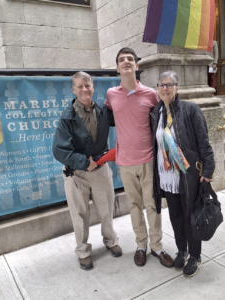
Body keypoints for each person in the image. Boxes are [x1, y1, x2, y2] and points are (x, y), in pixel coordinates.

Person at [105, 47, 173, 268]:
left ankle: (157, 246)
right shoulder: (111, 95)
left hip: (148, 160)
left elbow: (163, 123)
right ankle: (141, 245)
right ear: (117, 68)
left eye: (130, 59)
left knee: (152, 205)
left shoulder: (150, 95)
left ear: (136, 66)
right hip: (125, 162)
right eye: (122, 59)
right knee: (134, 205)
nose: (126, 61)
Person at [52, 72, 122, 270]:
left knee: (107, 208)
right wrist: (84, 162)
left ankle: (110, 240)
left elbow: (125, 119)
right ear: (74, 90)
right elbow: (59, 150)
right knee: (80, 213)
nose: (84, 89)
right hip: (77, 173)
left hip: (100, 167)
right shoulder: (67, 117)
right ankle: (83, 251)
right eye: (80, 86)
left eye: (87, 85)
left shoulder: (103, 111)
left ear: (93, 87)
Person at [150, 70, 215, 277]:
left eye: (169, 84)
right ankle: (182, 250)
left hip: (187, 175)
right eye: (161, 84)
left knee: (191, 216)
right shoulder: (156, 113)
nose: (165, 88)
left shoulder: (190, 110)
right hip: (167, 176)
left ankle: (195, 256)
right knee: (176, 215)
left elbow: (204, 141)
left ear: (177, 88)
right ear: (157, 88)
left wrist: (209, 169)